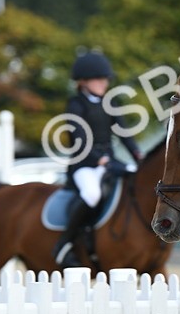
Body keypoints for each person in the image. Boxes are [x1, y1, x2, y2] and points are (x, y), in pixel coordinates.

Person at [53, 51, 143, 268]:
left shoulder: (110, 102)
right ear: (83, 82)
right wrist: (100, 160)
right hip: (84, 165)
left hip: (109, 162)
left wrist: (138, 155)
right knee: (92, 194)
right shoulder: (76, 105)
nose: (104, 83)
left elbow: (123, 133)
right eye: (99, 79)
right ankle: (64, 244)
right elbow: (79, 140)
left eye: (106, 79)